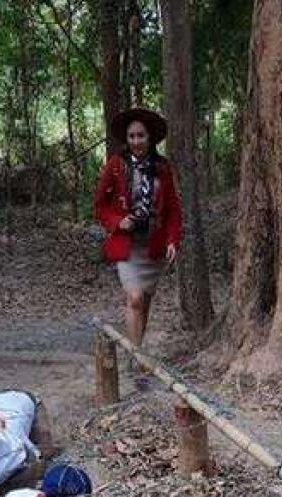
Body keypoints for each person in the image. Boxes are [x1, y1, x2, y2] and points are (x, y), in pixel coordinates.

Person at [94, 107, 182, 348]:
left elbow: (173, 209)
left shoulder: (162, 167)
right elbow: (100, 205)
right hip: (128, 246)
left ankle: (138, 351)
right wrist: (117, 221)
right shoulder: (116, 165)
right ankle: (136, 357)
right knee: (134, 299)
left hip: (154, 246)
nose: (136, 141)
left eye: (140, 135)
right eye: (131, 136)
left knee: (145, 303)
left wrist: (173, 240)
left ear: (149, 137)